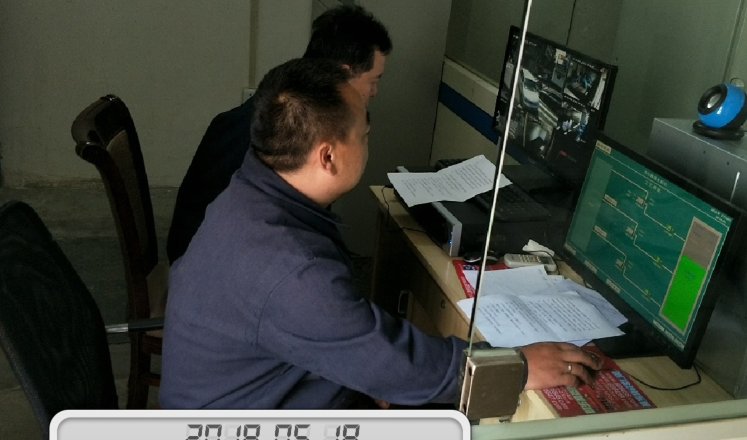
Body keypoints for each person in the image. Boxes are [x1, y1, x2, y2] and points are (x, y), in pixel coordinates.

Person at [159, 58, 603, 409]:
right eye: (364, 134)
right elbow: (389, 361)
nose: (368, 142)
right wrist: (518, 366)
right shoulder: (290, 269)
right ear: (328, 156)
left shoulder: (248, 192)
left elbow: (338, 333)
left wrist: (365, 372)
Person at [165, 5, 392, 265]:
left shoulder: (280, 108)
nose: (374, 92)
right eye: (373, 81)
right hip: (213, 263)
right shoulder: (282, 132)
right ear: (343, 74)